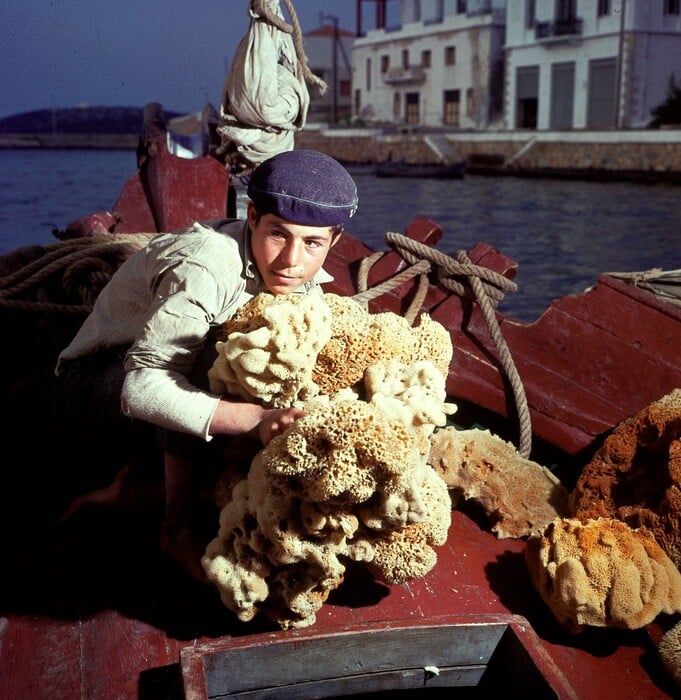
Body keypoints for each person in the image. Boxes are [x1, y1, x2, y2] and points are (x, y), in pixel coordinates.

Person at [54, 149, 359, 576]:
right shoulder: (207, 265)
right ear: (252, 215)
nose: (292, 261)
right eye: (277, 234)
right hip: (98, 380)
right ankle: (175, 529)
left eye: (312, 243)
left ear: (335, 239)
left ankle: (137, 483)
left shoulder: (301, 275)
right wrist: (256, 418)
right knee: (213, 362)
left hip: (152, 393)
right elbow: (143, 387)